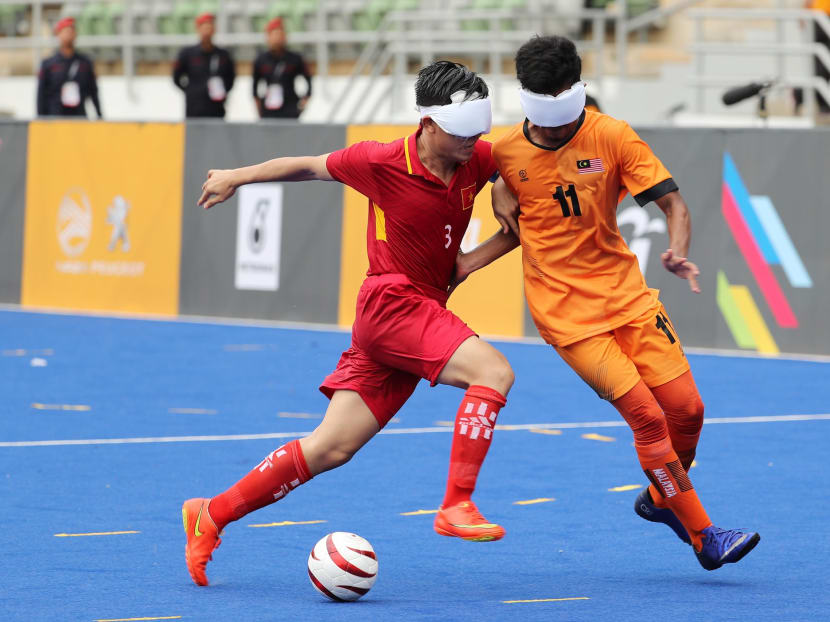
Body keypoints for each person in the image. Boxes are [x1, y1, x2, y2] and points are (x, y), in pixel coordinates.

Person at [182, 61, 517, 587]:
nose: (475, 141)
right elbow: (305, 166)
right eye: (462, 132)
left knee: (330, 447)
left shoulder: (475, 155)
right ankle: (456, 504)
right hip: (392, 304)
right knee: (493, 373)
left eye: (479, 130)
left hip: (419, 310)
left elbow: (510, 170)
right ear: (427, 124)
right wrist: (236, 177)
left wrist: (493, 207)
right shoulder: (381, 160)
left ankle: (210, 514)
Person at [454, 35, 760, 571]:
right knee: (646, 418)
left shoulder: (612, 135)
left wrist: (677, 252)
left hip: (629, 298)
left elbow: (675, 204)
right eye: (538, 115)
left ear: (576, 92)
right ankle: (705, 536)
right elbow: (485, 197)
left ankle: (664, 498)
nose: (547, 130)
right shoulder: (501, 152)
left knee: (688, 411)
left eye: (557, 114)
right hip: (567, 317)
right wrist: (481, 225)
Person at [36, 17, 102, 119]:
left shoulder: (85, 63)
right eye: (65, 31)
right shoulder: (48, 64)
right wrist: (41, 120)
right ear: (58, 34)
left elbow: (93, 92)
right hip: (55, 118)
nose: (68, 35)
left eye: (71, 31)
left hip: (78, 117)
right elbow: (41, 96)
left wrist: (100, 116)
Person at [172, 13, 236, 119]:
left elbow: (230, 78)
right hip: (194, 109)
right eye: (204, 27)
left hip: (216, 108)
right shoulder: (188, 54)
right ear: (198, 29)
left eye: (210, 27)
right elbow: (176, 77)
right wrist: (192, 91)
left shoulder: (223, 55)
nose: (207, 31)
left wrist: (221, 91)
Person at [252, 17, 313, 119]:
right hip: (268, 109)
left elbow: (308, 81)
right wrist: (259, 109)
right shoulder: (261, 60)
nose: (277, 38)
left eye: (280, 34)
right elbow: (254, 88)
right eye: (274, 34)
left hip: (290, 108)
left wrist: (302, 104)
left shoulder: (294, 58)